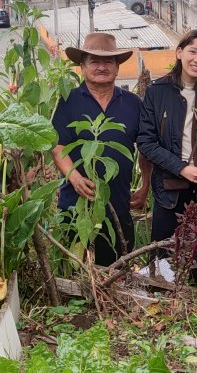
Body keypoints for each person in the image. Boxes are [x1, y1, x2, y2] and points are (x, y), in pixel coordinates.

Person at [137, 29, 197, 286]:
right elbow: (146, 141)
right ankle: (162, 296)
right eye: (193, 52)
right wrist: (180, 168)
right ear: (179, 53)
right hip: (170, 183)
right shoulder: (158, 92)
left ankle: (194, 295)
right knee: (163, 246)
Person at [52, 32, 144, 266]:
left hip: (118, 202)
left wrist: (146, 185)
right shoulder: (67, 100)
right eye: (94, 61)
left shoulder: (133, 103)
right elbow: (58, 146)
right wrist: (74, 177)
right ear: (82, 66)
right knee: (75, 267)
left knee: (117, 267)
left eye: (108, 61)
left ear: (117, 67)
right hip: (76, 203)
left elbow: (145, 147)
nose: (101, 67)